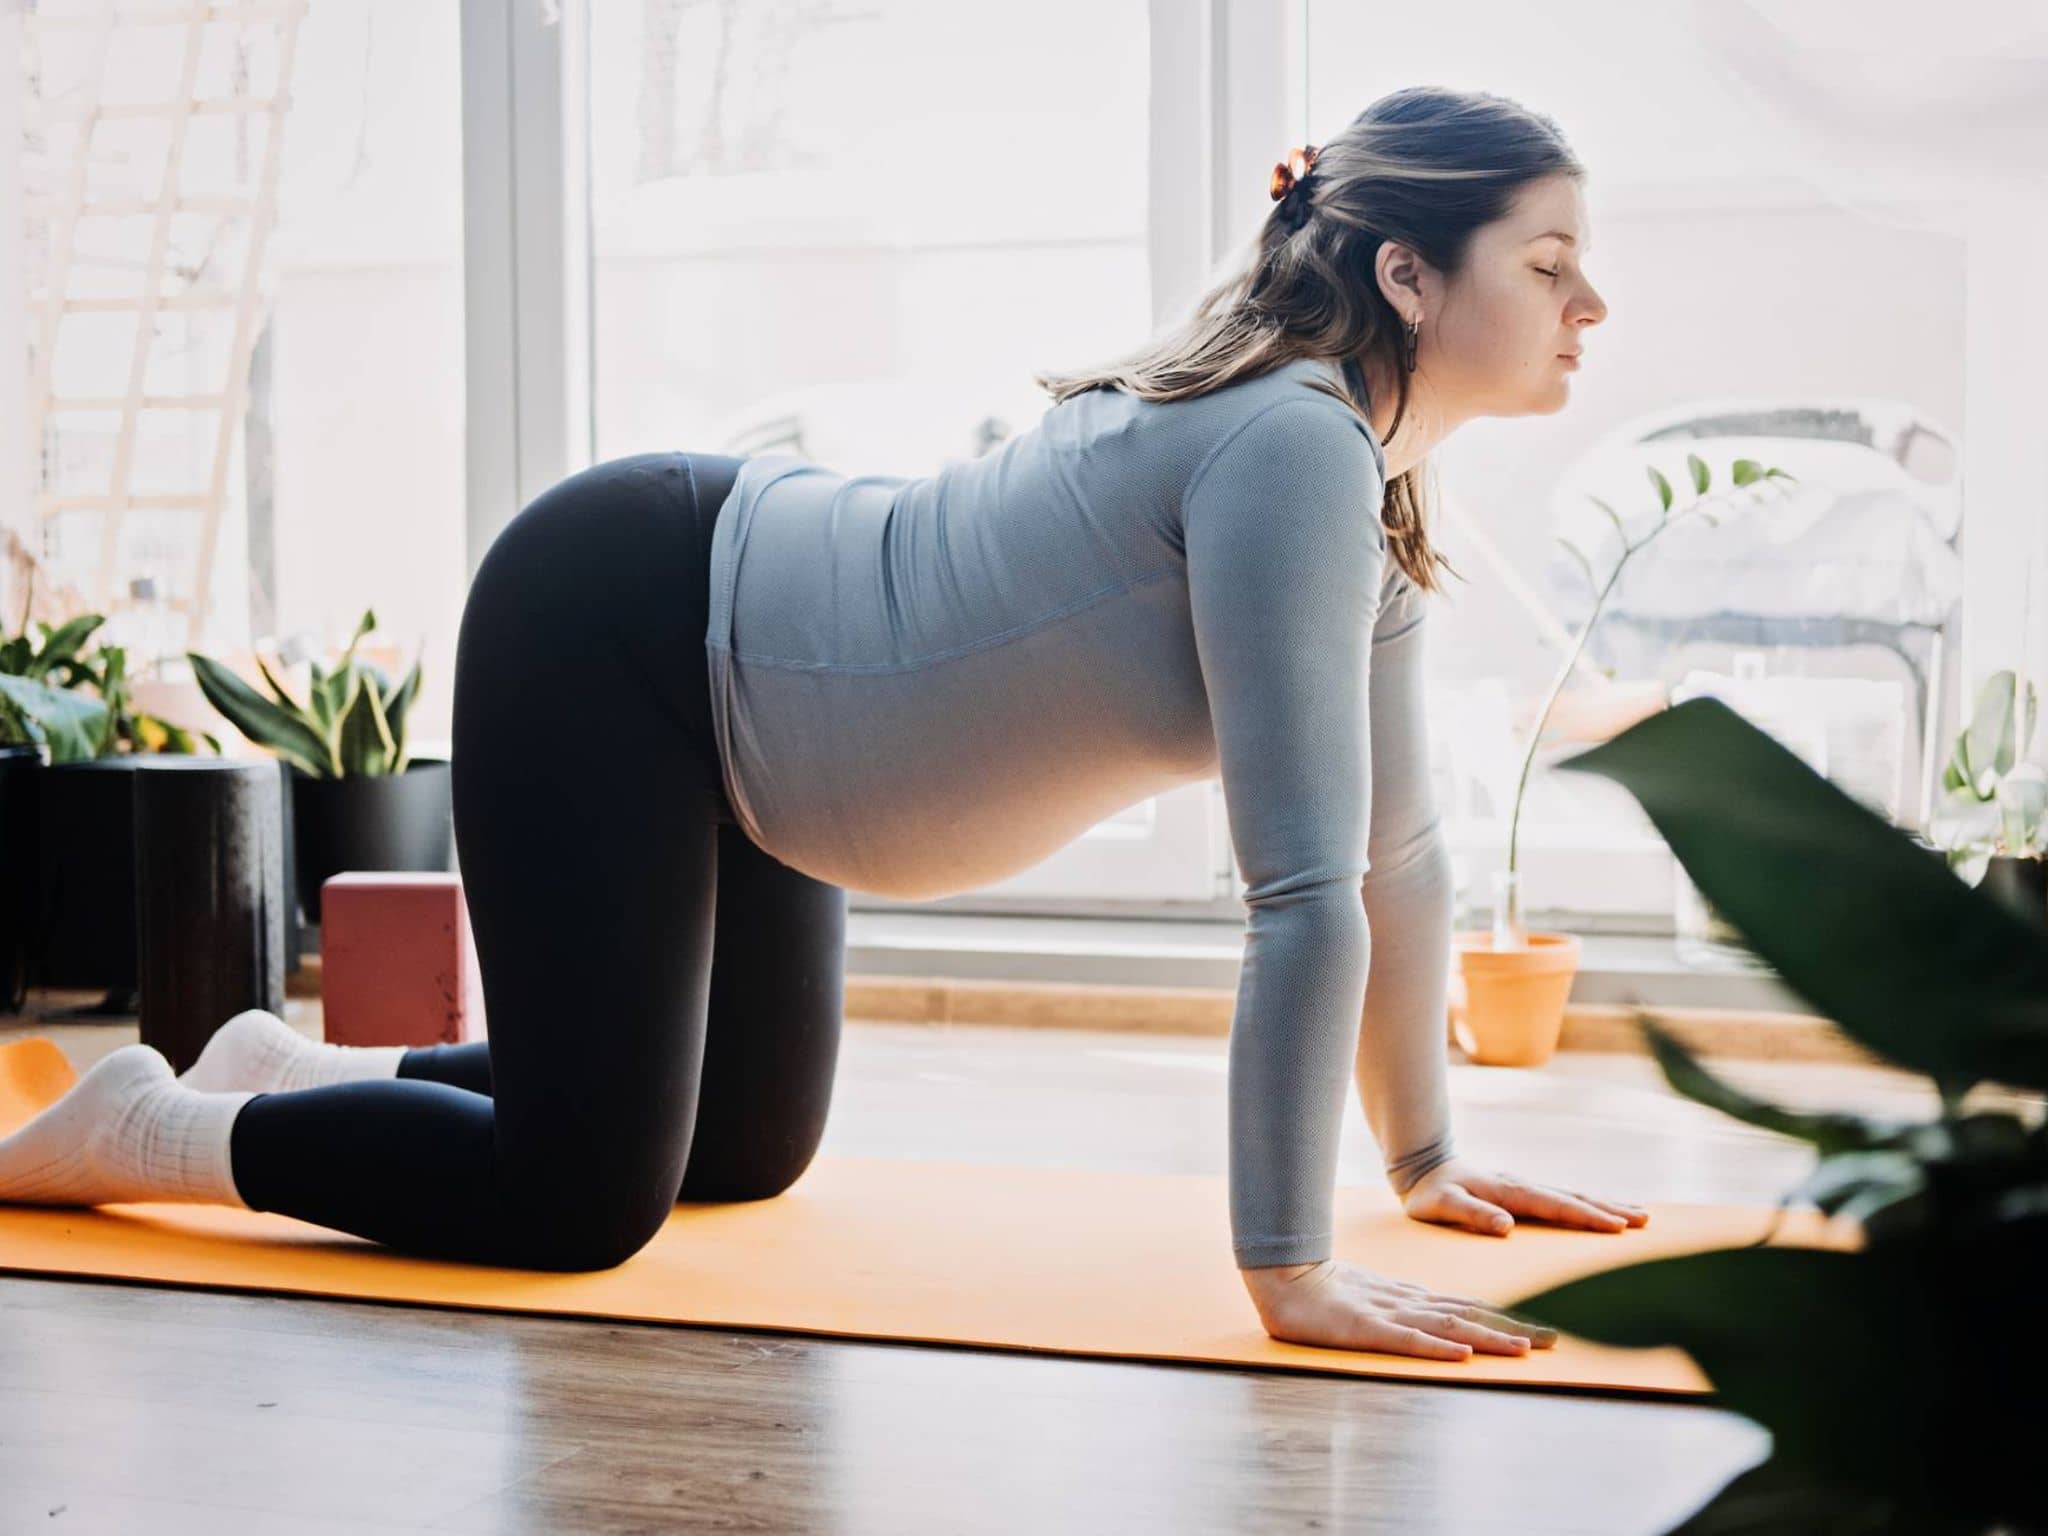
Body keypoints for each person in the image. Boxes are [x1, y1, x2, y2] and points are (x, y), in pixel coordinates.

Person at [0, 86, 1643, 1361]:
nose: (1590, 308)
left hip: (774, 717)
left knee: (740, 1150)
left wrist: (1427, 1155)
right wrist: (1288, 1265)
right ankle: (147, 1126)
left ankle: (287, 1064)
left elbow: (1398, 855)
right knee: (579, 1203)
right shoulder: (1288, 443)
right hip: (634, 626)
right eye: (1550, 265)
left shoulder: (1363, 486)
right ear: (1406, 273)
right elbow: (1298, 892)